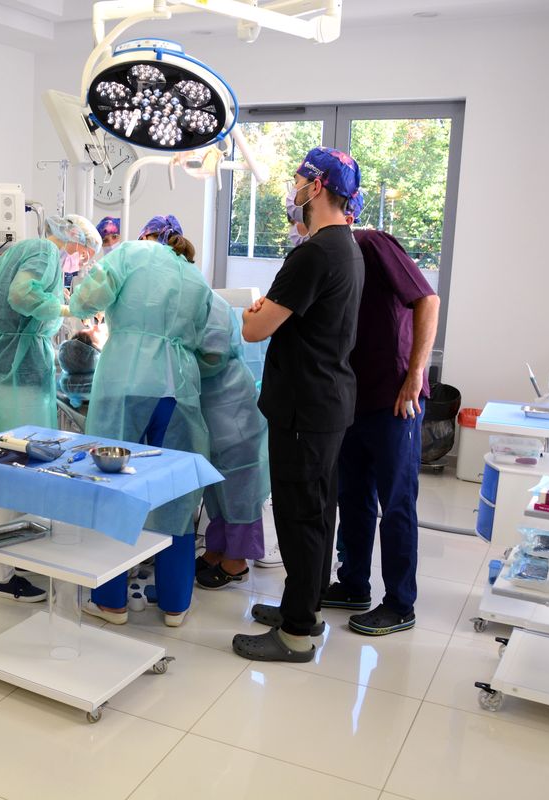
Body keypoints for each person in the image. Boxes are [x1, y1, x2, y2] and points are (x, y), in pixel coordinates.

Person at [232, 147, 364, 663]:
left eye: (298, 181)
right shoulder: (347, 247)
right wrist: (267, 310)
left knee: (299, 518)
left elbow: (255, 328)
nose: (293, 191)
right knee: (318, 513)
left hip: (303, 409)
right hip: (327, 402)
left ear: (317, 186)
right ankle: (302, 607)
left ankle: (295, 634)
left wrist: (256, 314)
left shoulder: (312, 254)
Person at [72, 234, 215, 627]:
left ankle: (111, 602)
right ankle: (175, 604)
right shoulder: (193, 274)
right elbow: (206, 335)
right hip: (178, 390)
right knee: (175, 496)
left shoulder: (131, 254)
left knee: (113, 489)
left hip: (127, 382)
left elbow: (85, 301)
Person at [322, 224, 439, 635]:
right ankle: (354, 584)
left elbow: (428, 300)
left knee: (396, 502)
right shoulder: (324, 254)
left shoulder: (371, 243)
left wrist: (415, 374)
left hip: (396, 397)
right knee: (353, 497)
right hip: (353, 396)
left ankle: (400, 604)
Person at [0, 214, 101, 602]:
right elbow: (22, 296)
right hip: (20, 368)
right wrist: (67, 310)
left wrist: (59, 303)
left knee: (15, 466)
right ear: (74, 240)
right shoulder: (46, 252)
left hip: (10, 363)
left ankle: (10, 559)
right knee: (17, 468)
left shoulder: (27, 250)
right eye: (85, 255)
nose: (82, 263)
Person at [194, 292, 271, 589]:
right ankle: (216, 550)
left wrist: (181, 358)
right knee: (215, 489)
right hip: (212, 412)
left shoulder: (210, 304)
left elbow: (213, 355)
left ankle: (236, 561)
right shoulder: (188, 301)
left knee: (239, 492)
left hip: (233, 410)